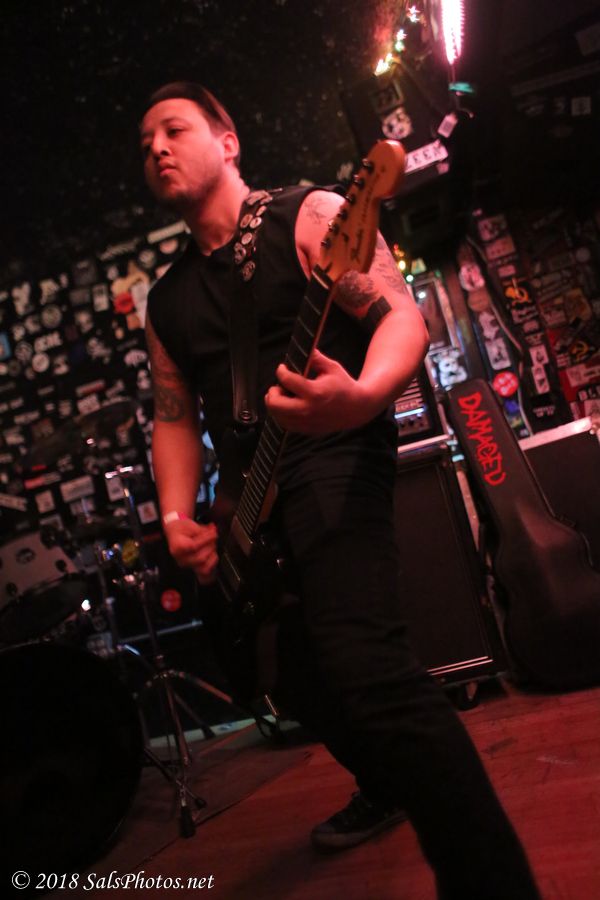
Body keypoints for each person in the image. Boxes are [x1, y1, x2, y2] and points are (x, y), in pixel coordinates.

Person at [141, 81, 540, 898]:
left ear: (228, 141)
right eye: (144, 142)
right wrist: (177, 515)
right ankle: (384, 783)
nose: (156, 147)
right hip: (246, 498)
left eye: (174, 129)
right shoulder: (167, 298)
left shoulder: (313, 215)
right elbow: (174, 416)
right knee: (288, 676)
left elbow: (400, 317)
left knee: (371, 670)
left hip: (331, 449)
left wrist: (361, 396)